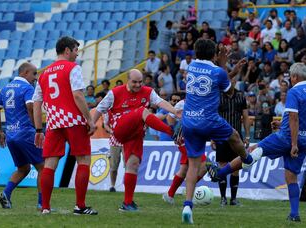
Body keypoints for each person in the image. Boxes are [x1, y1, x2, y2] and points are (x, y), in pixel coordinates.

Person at [207, 63, 306, 222]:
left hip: (287, 138)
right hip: (304, 139)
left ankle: (219, 174)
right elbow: (304, 119)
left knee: (252, 151)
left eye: (291, 77)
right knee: (291, 177)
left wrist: (292, 142)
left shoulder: (295, 91)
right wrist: (284, 125)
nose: (290, 80)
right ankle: (294, 214)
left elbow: (294, 118)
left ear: (295, 77)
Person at [181, 39, 253, 224]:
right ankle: (247, 159)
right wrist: (224, 65)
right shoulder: (217, 71)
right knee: (235, 136)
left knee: (193, 165)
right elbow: (229, 92)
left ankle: (188, 205)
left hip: (189, 120)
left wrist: (224, 66)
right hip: (208, 119)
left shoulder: (191, 67)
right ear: (214, 54)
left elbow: (217, 80)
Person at [92, 69, 180, 211]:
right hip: (120, 129)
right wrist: (91, 124)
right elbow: (100, 108)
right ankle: (171, 132)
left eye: (140, 82)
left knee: (133, 165)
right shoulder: (115, 93)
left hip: (136, 133)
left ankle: (127, 203)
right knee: (143, 111)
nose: (138, 85)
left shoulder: (148, 91)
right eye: (134, 82)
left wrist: (175, 111)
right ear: (128, 80)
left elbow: (160, 102)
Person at [33, 36, 98, 215]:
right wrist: (89, 120)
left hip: (54, 123)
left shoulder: (44, 73)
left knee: (50, 163)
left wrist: (39, 129)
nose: (77, 55)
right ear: (67, 50)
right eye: (76, 50)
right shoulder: (73, 68)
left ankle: (45, 207)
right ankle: (80, 206)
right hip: (74, 121)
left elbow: (36, 103)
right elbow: (77, 95)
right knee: (83, 160)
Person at [0, 62, 44, 209]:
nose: (35, 78)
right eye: (34, 74)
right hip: (26, 133)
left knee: (24, 168)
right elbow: (30, 106)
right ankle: (42, 203)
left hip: (11, 135)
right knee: (43, 167)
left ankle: (6, 194)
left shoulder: (5, 88)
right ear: (25, 72)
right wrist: (37, 129)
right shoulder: (27, 88)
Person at [211, 77, 250, 207]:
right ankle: (223, 198)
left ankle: (233, 199)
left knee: (236, 168)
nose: (231, 82)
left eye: (233, 80)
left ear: (235, 82)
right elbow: (213, 116)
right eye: (228, 80)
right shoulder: (218, 96)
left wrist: (247, 136)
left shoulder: (240, 96)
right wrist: (212, 137)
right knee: (222, 165)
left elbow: (245, 117)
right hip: (221, 137)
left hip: (236, 138)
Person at [162, 99, 207, 204]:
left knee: (184, 168)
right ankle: (188, 188)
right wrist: (173, 129)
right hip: (184, 139)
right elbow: (170, 117)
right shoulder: (183, 102)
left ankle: (170, 195)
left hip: (195, 138)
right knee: (205, 165)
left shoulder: (204, 102)